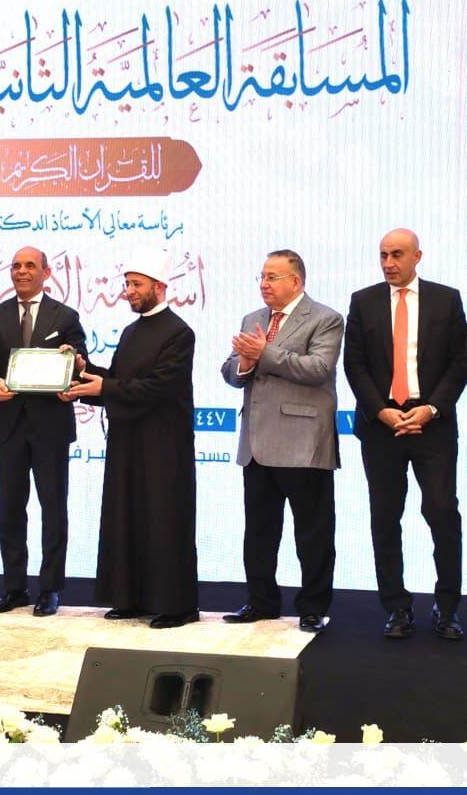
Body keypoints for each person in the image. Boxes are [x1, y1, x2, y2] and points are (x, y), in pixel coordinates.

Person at [344, 228, 467, 641]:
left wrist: (431, 408)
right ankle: (396, 608)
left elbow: (460, 362)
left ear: (417, 256)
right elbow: (354, 365)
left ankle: (447, 607)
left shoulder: (447, 300)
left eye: (397, 254)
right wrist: (380, 411)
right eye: (383, 255)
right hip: (382, 426)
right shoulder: (363, 301)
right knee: (384, 517)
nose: (388, 263)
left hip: (432, 424)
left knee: (442, 512)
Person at [68, 249, 199, 629]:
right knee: (127, 515)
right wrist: (83, 369)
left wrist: (104, 387)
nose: (129, 291)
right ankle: (131, 598)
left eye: (136, 284)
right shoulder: (130, 331)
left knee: (163, 518)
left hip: (163, 444)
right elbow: (120, 380)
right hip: (128, 440)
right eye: (127, 284)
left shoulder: (179, 332)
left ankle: (176, 606)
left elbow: (157, 387)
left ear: (159, 286)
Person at [221, 249, 343, 633]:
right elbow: (231, 370)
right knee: (259, 530)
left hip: (304, 442)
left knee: (313, 532)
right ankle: (261, 602)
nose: (264, 284)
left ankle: (313, 607)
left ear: (296, 281)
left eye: (272, 277)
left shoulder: (325, 318)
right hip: (256, 442)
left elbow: (318, 369)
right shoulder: (253, 319)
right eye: (262, 276)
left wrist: (264, 353)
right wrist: (244, 364)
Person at [0, 246, 87, 617]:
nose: (22, 271)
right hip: (8, 426)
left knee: (53, 509)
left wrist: (75, 366)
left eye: (30, 265)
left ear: (46, 272)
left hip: (50, 427)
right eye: (16, 266)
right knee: (10, 509)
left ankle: (50, 589)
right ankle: (14, 588)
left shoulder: (65, 316)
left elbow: (79, 364)